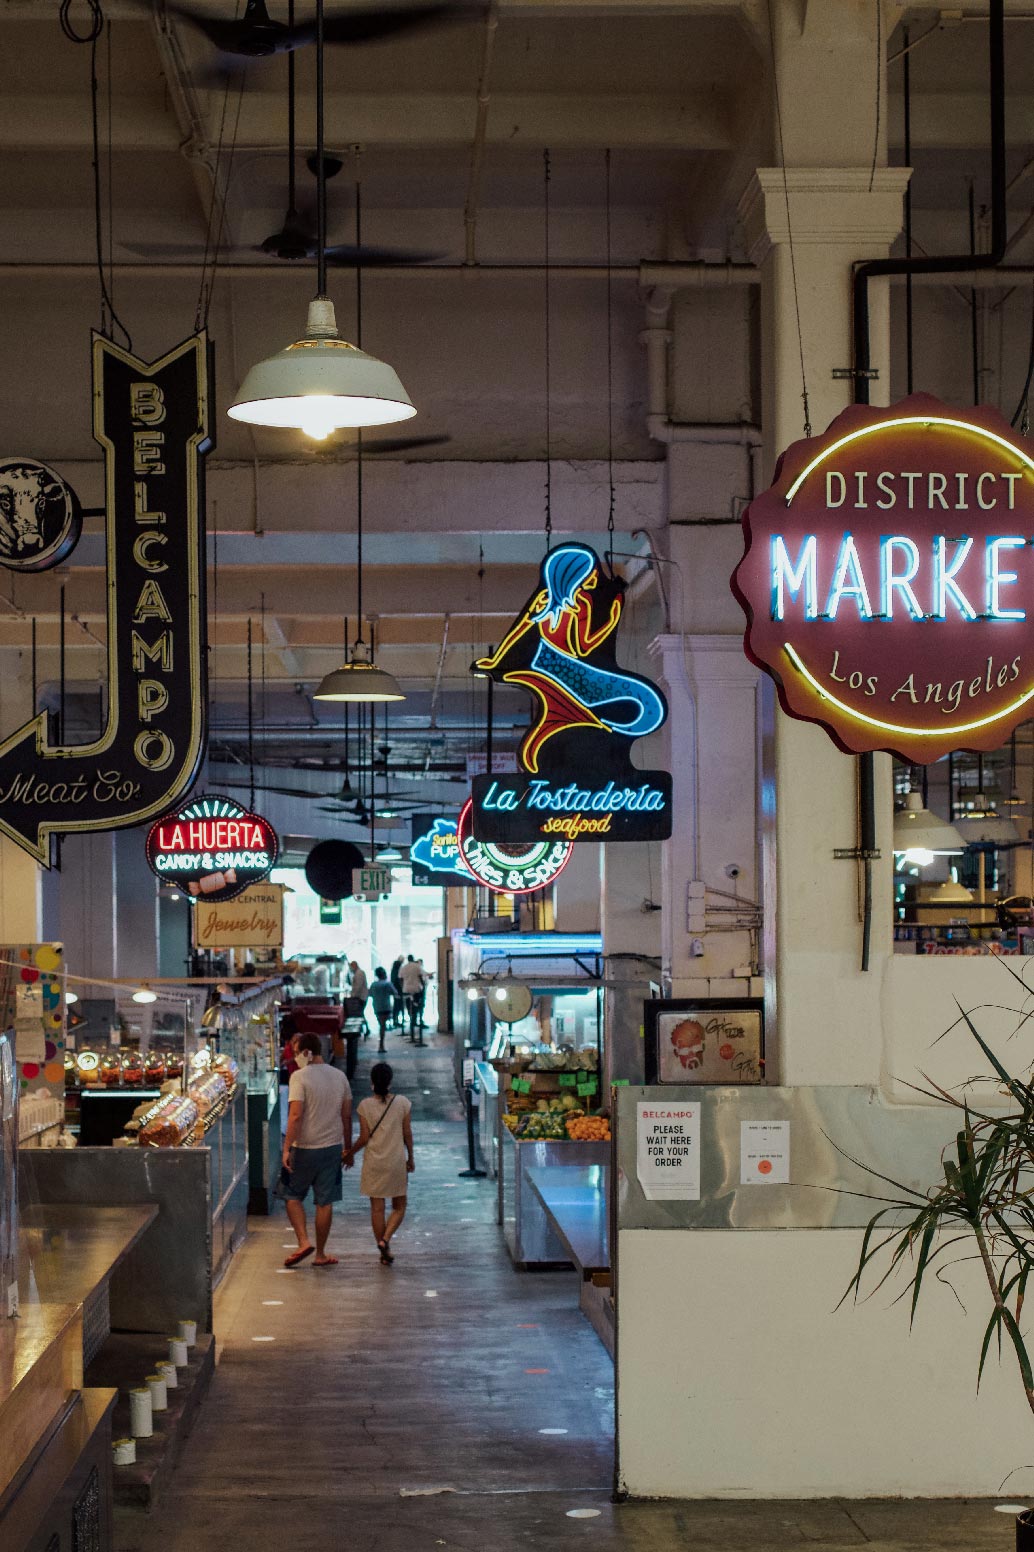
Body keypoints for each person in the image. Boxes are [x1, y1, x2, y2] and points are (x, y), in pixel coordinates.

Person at [281, 1031, 353, 1268]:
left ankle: (303, 1242)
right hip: (332, 1147)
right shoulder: (340, 1076)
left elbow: (295, 1115)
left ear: (306, 1053)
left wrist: (286, 1147)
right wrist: (348, 1147)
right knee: (325, 1202)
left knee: (292, 1196)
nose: (295, 1058)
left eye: (296, 1052)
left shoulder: (299, 1078)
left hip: (305, 1148)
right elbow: (346, 1115)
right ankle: (320, 1253)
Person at [349, 1062, 414, 1265]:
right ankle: (385, 1240)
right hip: (395, 1162)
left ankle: (383, 1248)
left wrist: (348, 1154)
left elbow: (364, 1138)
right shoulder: (402, 1103)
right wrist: (410, 1157)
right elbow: (407, 1134)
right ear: (390, 1081)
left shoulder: (364, 1106)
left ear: (372, 1081)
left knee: (377, 1209)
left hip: (374, 1163)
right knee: (399, 1206)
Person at [399, 954, 427, 1040]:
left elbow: (400, 978)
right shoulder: (417, 966)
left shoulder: (403, 968)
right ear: (413, 959)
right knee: (417, 1006)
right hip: (416, 989)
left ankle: (412, 1018)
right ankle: (415, 1019)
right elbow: (421, 977)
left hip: (406, 990)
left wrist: (402, 987)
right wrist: (423, 987)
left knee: (409, 1007)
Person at [369, 967, 394, 1052]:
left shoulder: (373, 985)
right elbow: (395, 992)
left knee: (382, 1025)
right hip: (385, 1007)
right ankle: (381, 1045)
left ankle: (381, 1045)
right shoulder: (387, 984)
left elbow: (370, 994)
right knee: (382, 1026)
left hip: (377, 1007)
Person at [389, 956, 405, 1028]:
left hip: (396, 990)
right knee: (398, 1006)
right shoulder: (397, 972)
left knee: (397, 1005)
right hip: (398, 990)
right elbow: (398, 981)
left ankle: (396, 1020)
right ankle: (396, 1021)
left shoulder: (393, 971)